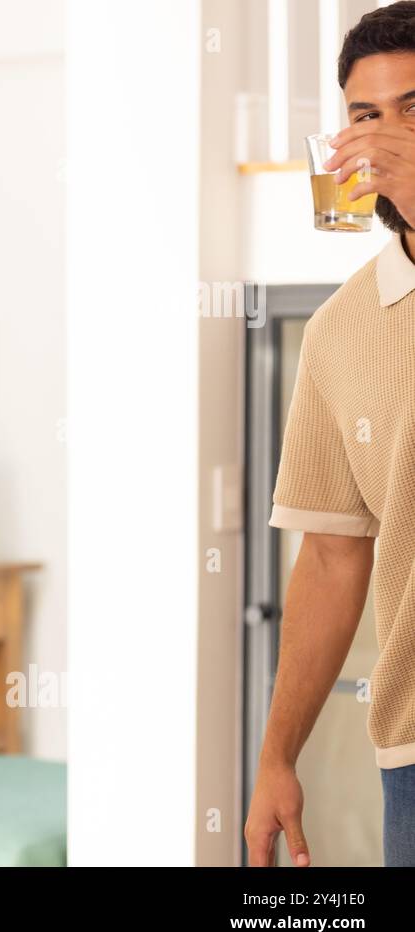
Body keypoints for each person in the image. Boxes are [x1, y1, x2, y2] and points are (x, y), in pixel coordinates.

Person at [246, 1, 415, 868]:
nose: (385, 136)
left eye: (413, 109)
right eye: (365, 115)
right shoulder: (340, 329)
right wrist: (277, 754)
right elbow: (331, 555)